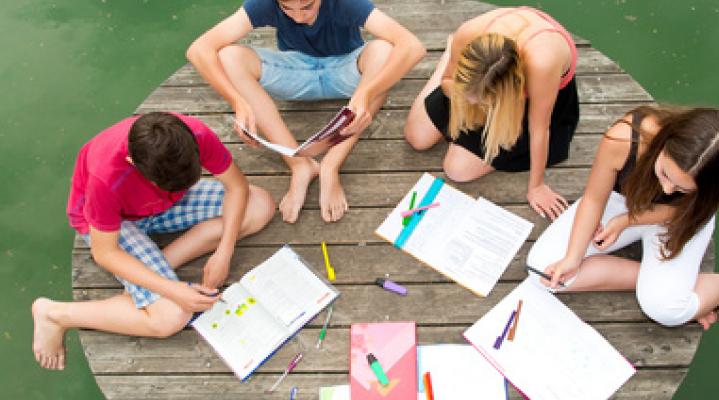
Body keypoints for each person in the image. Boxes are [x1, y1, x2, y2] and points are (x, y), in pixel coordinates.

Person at [31, 112, 275, 370]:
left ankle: (151, 267)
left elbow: (236, 187)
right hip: (116, 225)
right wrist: (172, 289)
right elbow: (105, 253)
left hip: (162, 207)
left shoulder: (193, 134)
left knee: (260, 205)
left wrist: (225, 251)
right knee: (171, 316)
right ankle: (56, 314)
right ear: (131, 162)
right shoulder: (105, 177)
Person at [187, 0, 425, 223]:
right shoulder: (264, 3)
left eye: (308, 6)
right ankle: (299, 164)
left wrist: (365, 93)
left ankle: (331, 164)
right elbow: (198, 50)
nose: (299, 17)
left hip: (346, 70)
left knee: (384, 51)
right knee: (228, 57)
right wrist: (237, 102)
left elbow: (413, 46)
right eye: (287, 8)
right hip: (296, 72)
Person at [527, 105, 719, 330]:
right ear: (666, 140)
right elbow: (593, 200)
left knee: (666, 311)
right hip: (623, 200)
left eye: (683, 188)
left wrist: (627, 221)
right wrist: (573, 258)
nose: (668, 190)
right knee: (543, 270)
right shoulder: (624, 138)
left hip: (680, 217)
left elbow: (696, 210)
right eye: (665, 173)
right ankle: (661, 284)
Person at [404, 6, 579, 220]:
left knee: (457, 169)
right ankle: (447, 59)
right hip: (475, 85)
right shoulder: (468, 33)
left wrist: (537, 186)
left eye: (479, 101)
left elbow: (539, 128)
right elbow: (448, 82)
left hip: (533, 97)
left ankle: (476, 100)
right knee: (417, 137)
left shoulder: (542, 62)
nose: (471, 104)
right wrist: (460, 91)